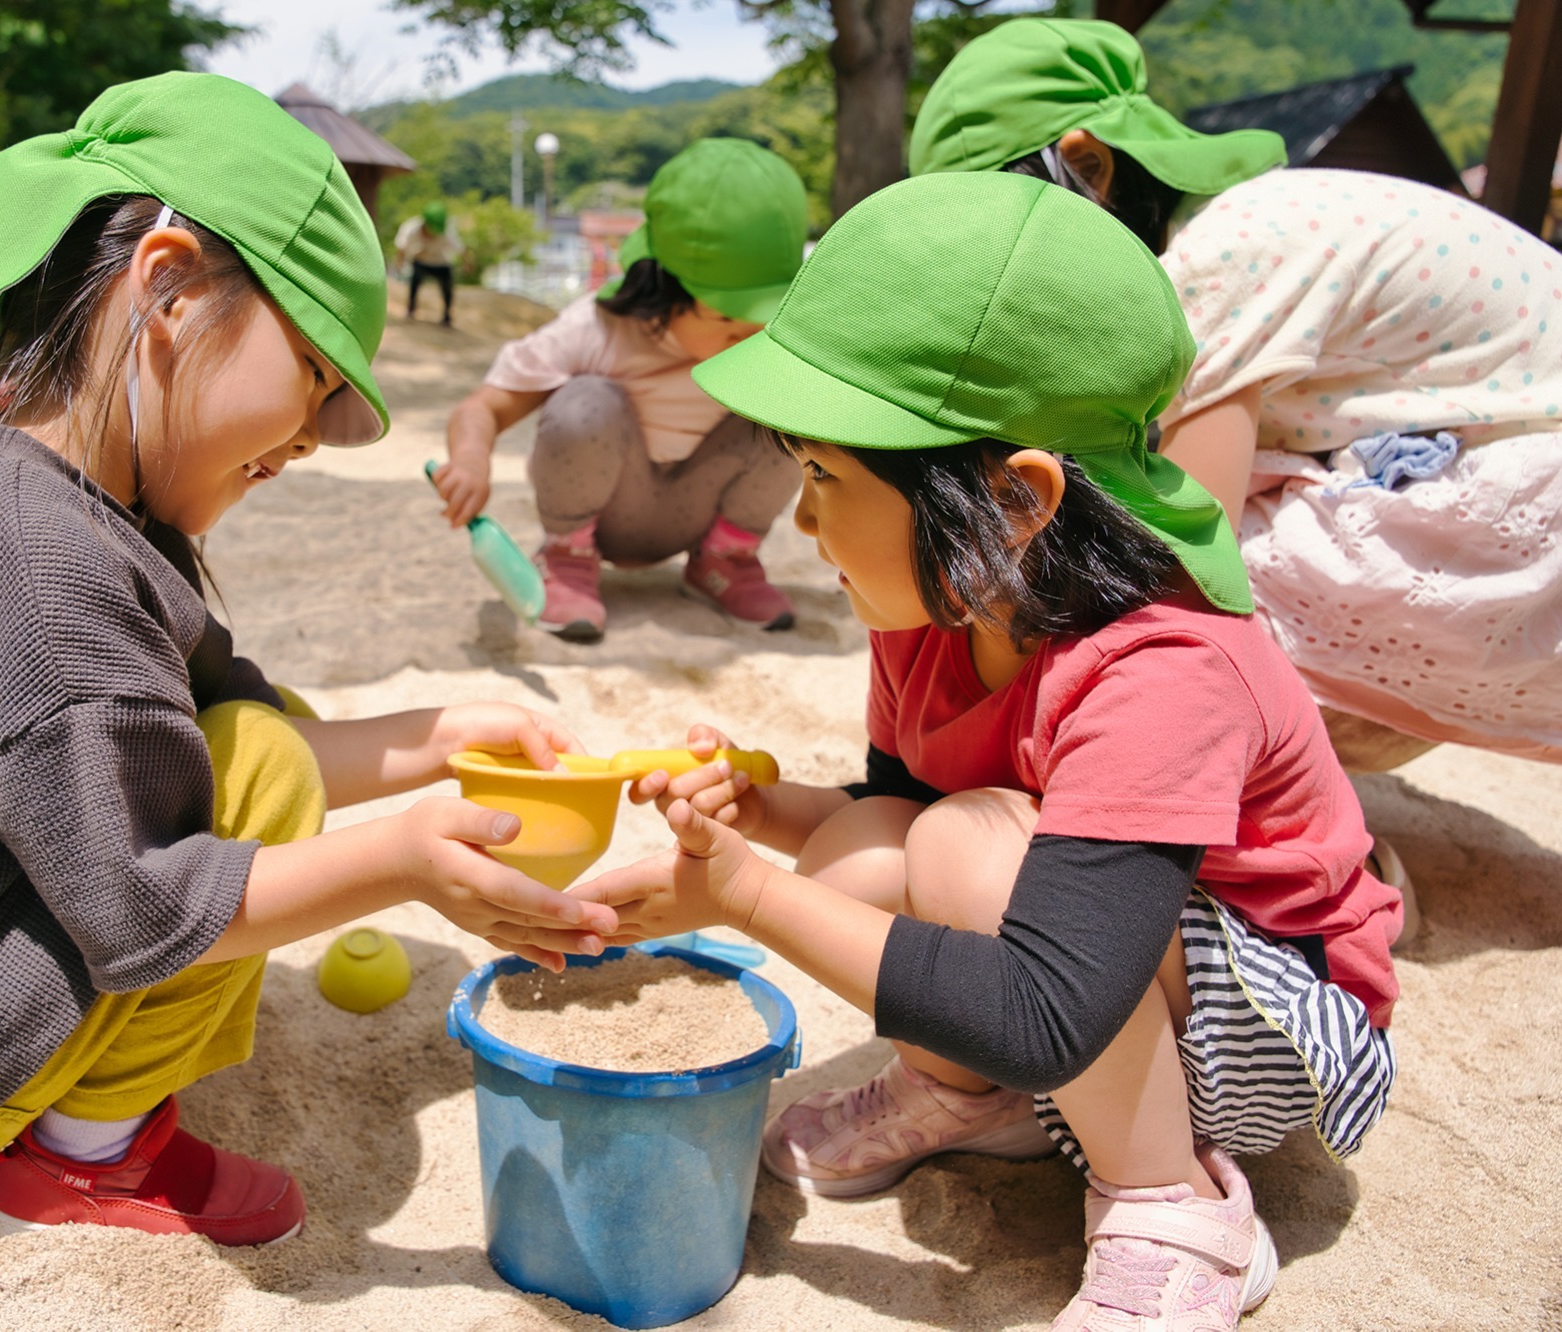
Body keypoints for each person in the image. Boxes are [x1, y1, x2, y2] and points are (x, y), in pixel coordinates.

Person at [0, 73, 618, 1250]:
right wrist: (402, 863)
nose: (302, 441)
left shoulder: (75, 501)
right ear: (171, 286)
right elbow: (145, 906)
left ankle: (78, 1108)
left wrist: (443, 739)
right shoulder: (47, 573)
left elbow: (232, 734)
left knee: (247, 742)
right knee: (257, 778)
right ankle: (81, 1162)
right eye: (313, 381)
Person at [578, 173, 1400, 1331]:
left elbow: (1048, 1003)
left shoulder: (1162, 667)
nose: (800, 522)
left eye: (824, 477)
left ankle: (1172, 1199)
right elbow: (893, 814)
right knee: (872, 841)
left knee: (960, 850)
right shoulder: (936, 614)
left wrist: (744, 896)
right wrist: (759, 819)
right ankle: (971, 1099)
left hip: (1271, 1026)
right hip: (1094, 958)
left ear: (1013, 503)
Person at [909, 17, 1562, 775]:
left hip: (1530, 501)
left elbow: (1190, 543)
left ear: (1087, 168)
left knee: (1137, 570)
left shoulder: (1217, 259)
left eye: (1002, 235)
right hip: (1493, 471)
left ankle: (1260, 829)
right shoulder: (1242, 223)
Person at [431, 137, 809, 642]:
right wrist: (471, 459)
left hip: (700, 512)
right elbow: (483, 407)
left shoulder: (768, 340)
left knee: (796, 408)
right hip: (603, 513)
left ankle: (724, 561)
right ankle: (566, 558)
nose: (747, 334)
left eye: (764, 314)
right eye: (725, 317)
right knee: (586, 402)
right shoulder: (596, 329)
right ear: (666, 286)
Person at [395, 199, 462, 325]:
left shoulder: (447, 231)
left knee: (447, 287)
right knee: (415, 281)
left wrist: (467, 263)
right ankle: (411, 309)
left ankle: (447, 316)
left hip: (441, 262)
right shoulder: (411, 228)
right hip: (421, 260)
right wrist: (400, 263)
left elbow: (461, 248)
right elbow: (401, 247)